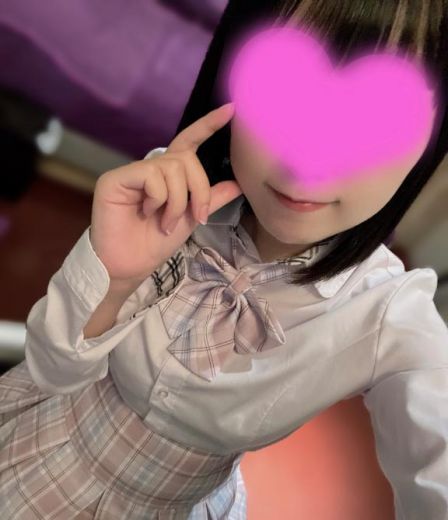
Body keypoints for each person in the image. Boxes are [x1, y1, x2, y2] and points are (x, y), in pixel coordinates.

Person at [1, 0, 447, 518]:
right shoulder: (165, 193)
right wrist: (112, 282)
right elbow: (51, 371)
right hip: (33, 435)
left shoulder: (391, 318)